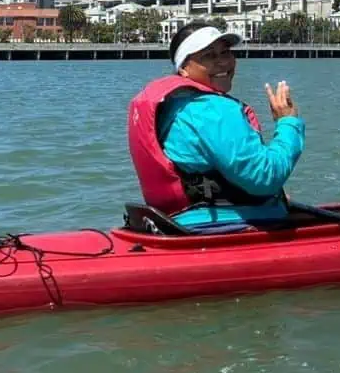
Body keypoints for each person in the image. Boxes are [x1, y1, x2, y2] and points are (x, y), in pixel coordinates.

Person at [126, 22, 304, 233]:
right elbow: (264, 176)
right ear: (183, 68)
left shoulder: (175, 105)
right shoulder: (211, 109)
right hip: (223, 226)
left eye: (225, 52)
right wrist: (288, 123)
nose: (223, 62)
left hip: (179, 221)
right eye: (208, 56)